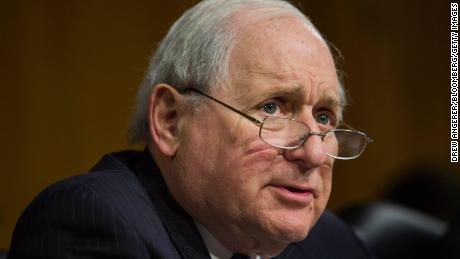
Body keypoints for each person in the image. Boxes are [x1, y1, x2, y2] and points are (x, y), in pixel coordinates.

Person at [7, 0, 374, 258]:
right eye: (272, 108)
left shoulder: (333, 243)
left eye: (324, 117)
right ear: (170, 121)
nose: (312, 153)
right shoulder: (95, 223)